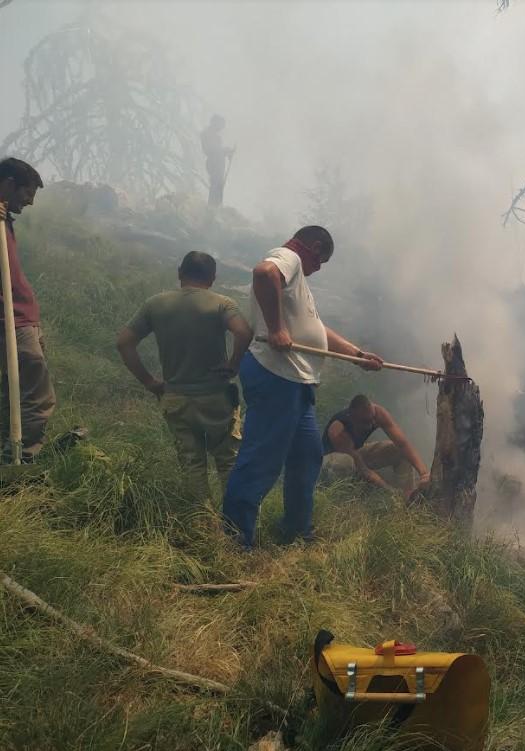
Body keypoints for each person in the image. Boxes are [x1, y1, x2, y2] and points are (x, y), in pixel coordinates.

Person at [221, 226, 384, 548]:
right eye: (321, 260)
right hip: (277, 376)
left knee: (307, 457)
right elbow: (264, 272)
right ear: (315, 246)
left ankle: (296, 530)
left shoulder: (297, 284)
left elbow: (316, 329)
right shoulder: (288, 258)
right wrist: (278, 329)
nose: (319, 268)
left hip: (297, 383)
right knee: (262, 458)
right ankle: (234, 536)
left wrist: (357, 355)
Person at [116, 251, 252, 504]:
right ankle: (236, 524)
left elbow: (124, 343)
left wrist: (150, 382)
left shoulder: (155, 304)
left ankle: (203, 524)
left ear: (180, 273)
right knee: (228, 462)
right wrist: (233, 364)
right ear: (212, 278)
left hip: (176, 397)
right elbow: (243, 333)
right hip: (215, 398)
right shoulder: (222, 303)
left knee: (192, 464)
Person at [0, 157, 53, 464]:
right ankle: (21, 461)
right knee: (37, 396)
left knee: (12, 393)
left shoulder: (5, 219)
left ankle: (9, 455)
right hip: (13, 321)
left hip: (21, 319)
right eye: (27, 193)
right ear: (8, 184)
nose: (30, 202)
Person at [322, 394, 430, 497]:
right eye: (366, 421)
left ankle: (409, 494)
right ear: (353, 417)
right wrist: (391, 492)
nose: (372, 424)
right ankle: (346, 498)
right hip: (330, 462)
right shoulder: (338, 430)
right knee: (347, 461)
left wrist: (424, 473)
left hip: (356, 453)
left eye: (373, 418)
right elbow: (363, 469)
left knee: (397, 449)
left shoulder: (377, 413)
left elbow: (403, 444)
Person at [200, 115, 234, 207]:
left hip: (218, 164)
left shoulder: (215, 136)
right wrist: (225, 150)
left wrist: (226, 153)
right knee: (215, 186)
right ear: (214, 123)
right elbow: (210, 149)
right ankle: (212, 207)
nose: (221, 129)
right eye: (220, 126)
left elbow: (217, 150)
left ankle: (217, 206)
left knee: (219, 186)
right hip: (214, 163)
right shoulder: (207, 134)